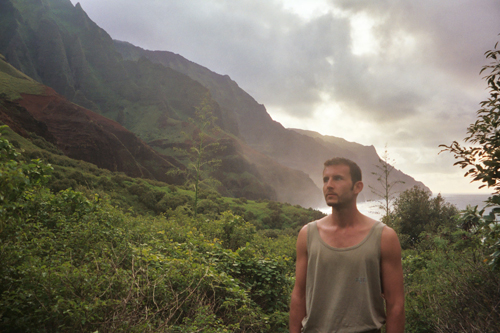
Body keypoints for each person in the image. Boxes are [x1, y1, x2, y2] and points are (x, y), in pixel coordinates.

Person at [289, 157, 405, 333]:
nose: (329, 185)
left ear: (357, 187)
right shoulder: (308, 234)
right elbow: (299, 295)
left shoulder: (384, 237)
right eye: (325, 179)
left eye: (338, 178)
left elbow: (395, 302)